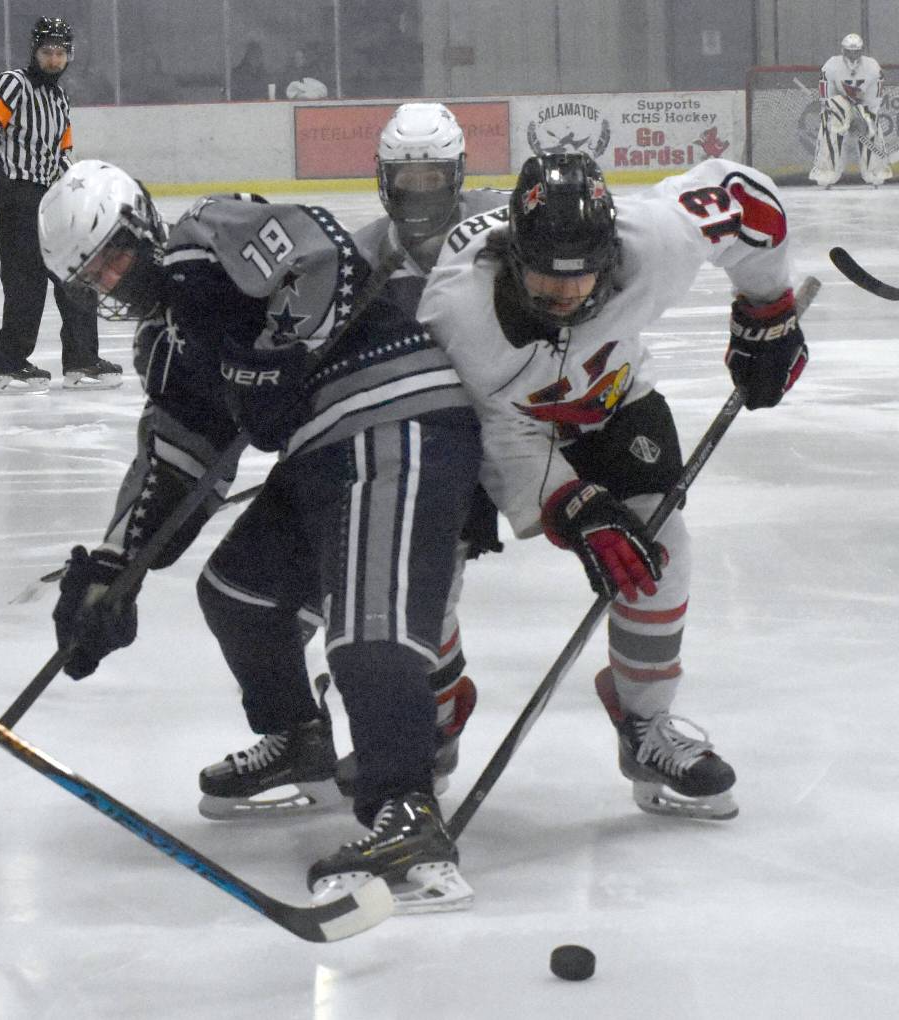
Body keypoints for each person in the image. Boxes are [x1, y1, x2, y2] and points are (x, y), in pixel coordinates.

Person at [39, 159, 483, 911]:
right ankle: (299, 741)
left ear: (143, 224)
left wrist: (274, 348)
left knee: (365, 628)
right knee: (240, 594)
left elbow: (319, 248)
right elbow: (179, 454)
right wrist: (114, 569)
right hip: (321, 450)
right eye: (96, 278)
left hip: (393, 415)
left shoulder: (204, 240)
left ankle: (405, 810)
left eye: (115, 254)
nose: (114, 278)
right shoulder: (174, 342)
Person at [418, 152, 809, 822]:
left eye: (582, 281)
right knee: (422, 568)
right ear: (513, 256)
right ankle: (427, 719)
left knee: (661, 555)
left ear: (610, 252)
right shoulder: (458, 314)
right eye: (544, 281)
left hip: (614, 399)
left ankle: (644, 723)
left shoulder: (655, 240)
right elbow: (502, 436)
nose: (565, 299)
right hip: (494, 426)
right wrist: (573, 505)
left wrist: (767, 306)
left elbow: (747, 199)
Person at [331, 101, 510, 797]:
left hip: (518, 431)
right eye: (408, 179)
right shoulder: (363, 256)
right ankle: (437, 713)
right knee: (420, 604)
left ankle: (647, 722)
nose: (420, 194)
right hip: (427, 451)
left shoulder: (504, 229)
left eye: (435, 178)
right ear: (384, 178)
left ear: (459, 175)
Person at [0, 17, 122, 394]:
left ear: (69, 56)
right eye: (46, 52)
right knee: (26, 280)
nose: (53, 60)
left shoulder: (59, 98)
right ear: (34, 52)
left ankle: (81, 361)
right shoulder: (13, 83)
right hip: (15, 195)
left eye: (60, 53)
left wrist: (74, 189)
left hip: (47, 198)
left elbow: (61, 153)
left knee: (75, 273)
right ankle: (9, 367)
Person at [809, 33, 892, 188]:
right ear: (843, 50)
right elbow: (827, 98)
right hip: (839, 104)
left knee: (871, 127)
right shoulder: (831, 66)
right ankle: (827, 171)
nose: (853, 55)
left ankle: (874, 171)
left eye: (856, 51)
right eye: (849, 51)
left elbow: (875, 98)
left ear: (861, 51)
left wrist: (865, 118)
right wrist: (842, 115)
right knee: (830, 125)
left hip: (864, 104)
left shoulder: (873, 67)